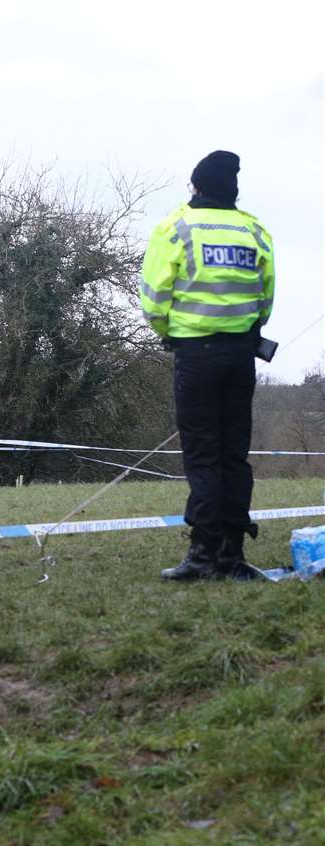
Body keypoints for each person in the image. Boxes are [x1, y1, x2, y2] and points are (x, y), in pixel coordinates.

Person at [139, 150, 275, 581]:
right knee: (234, 454)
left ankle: (202, 556)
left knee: (202, 456)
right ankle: (232, 555)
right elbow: (264, 300)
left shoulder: (175, 226)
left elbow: (154, 297)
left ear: (196, 186)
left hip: (195, 355)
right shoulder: (255, 230)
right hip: (241, 356)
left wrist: (169, 330)